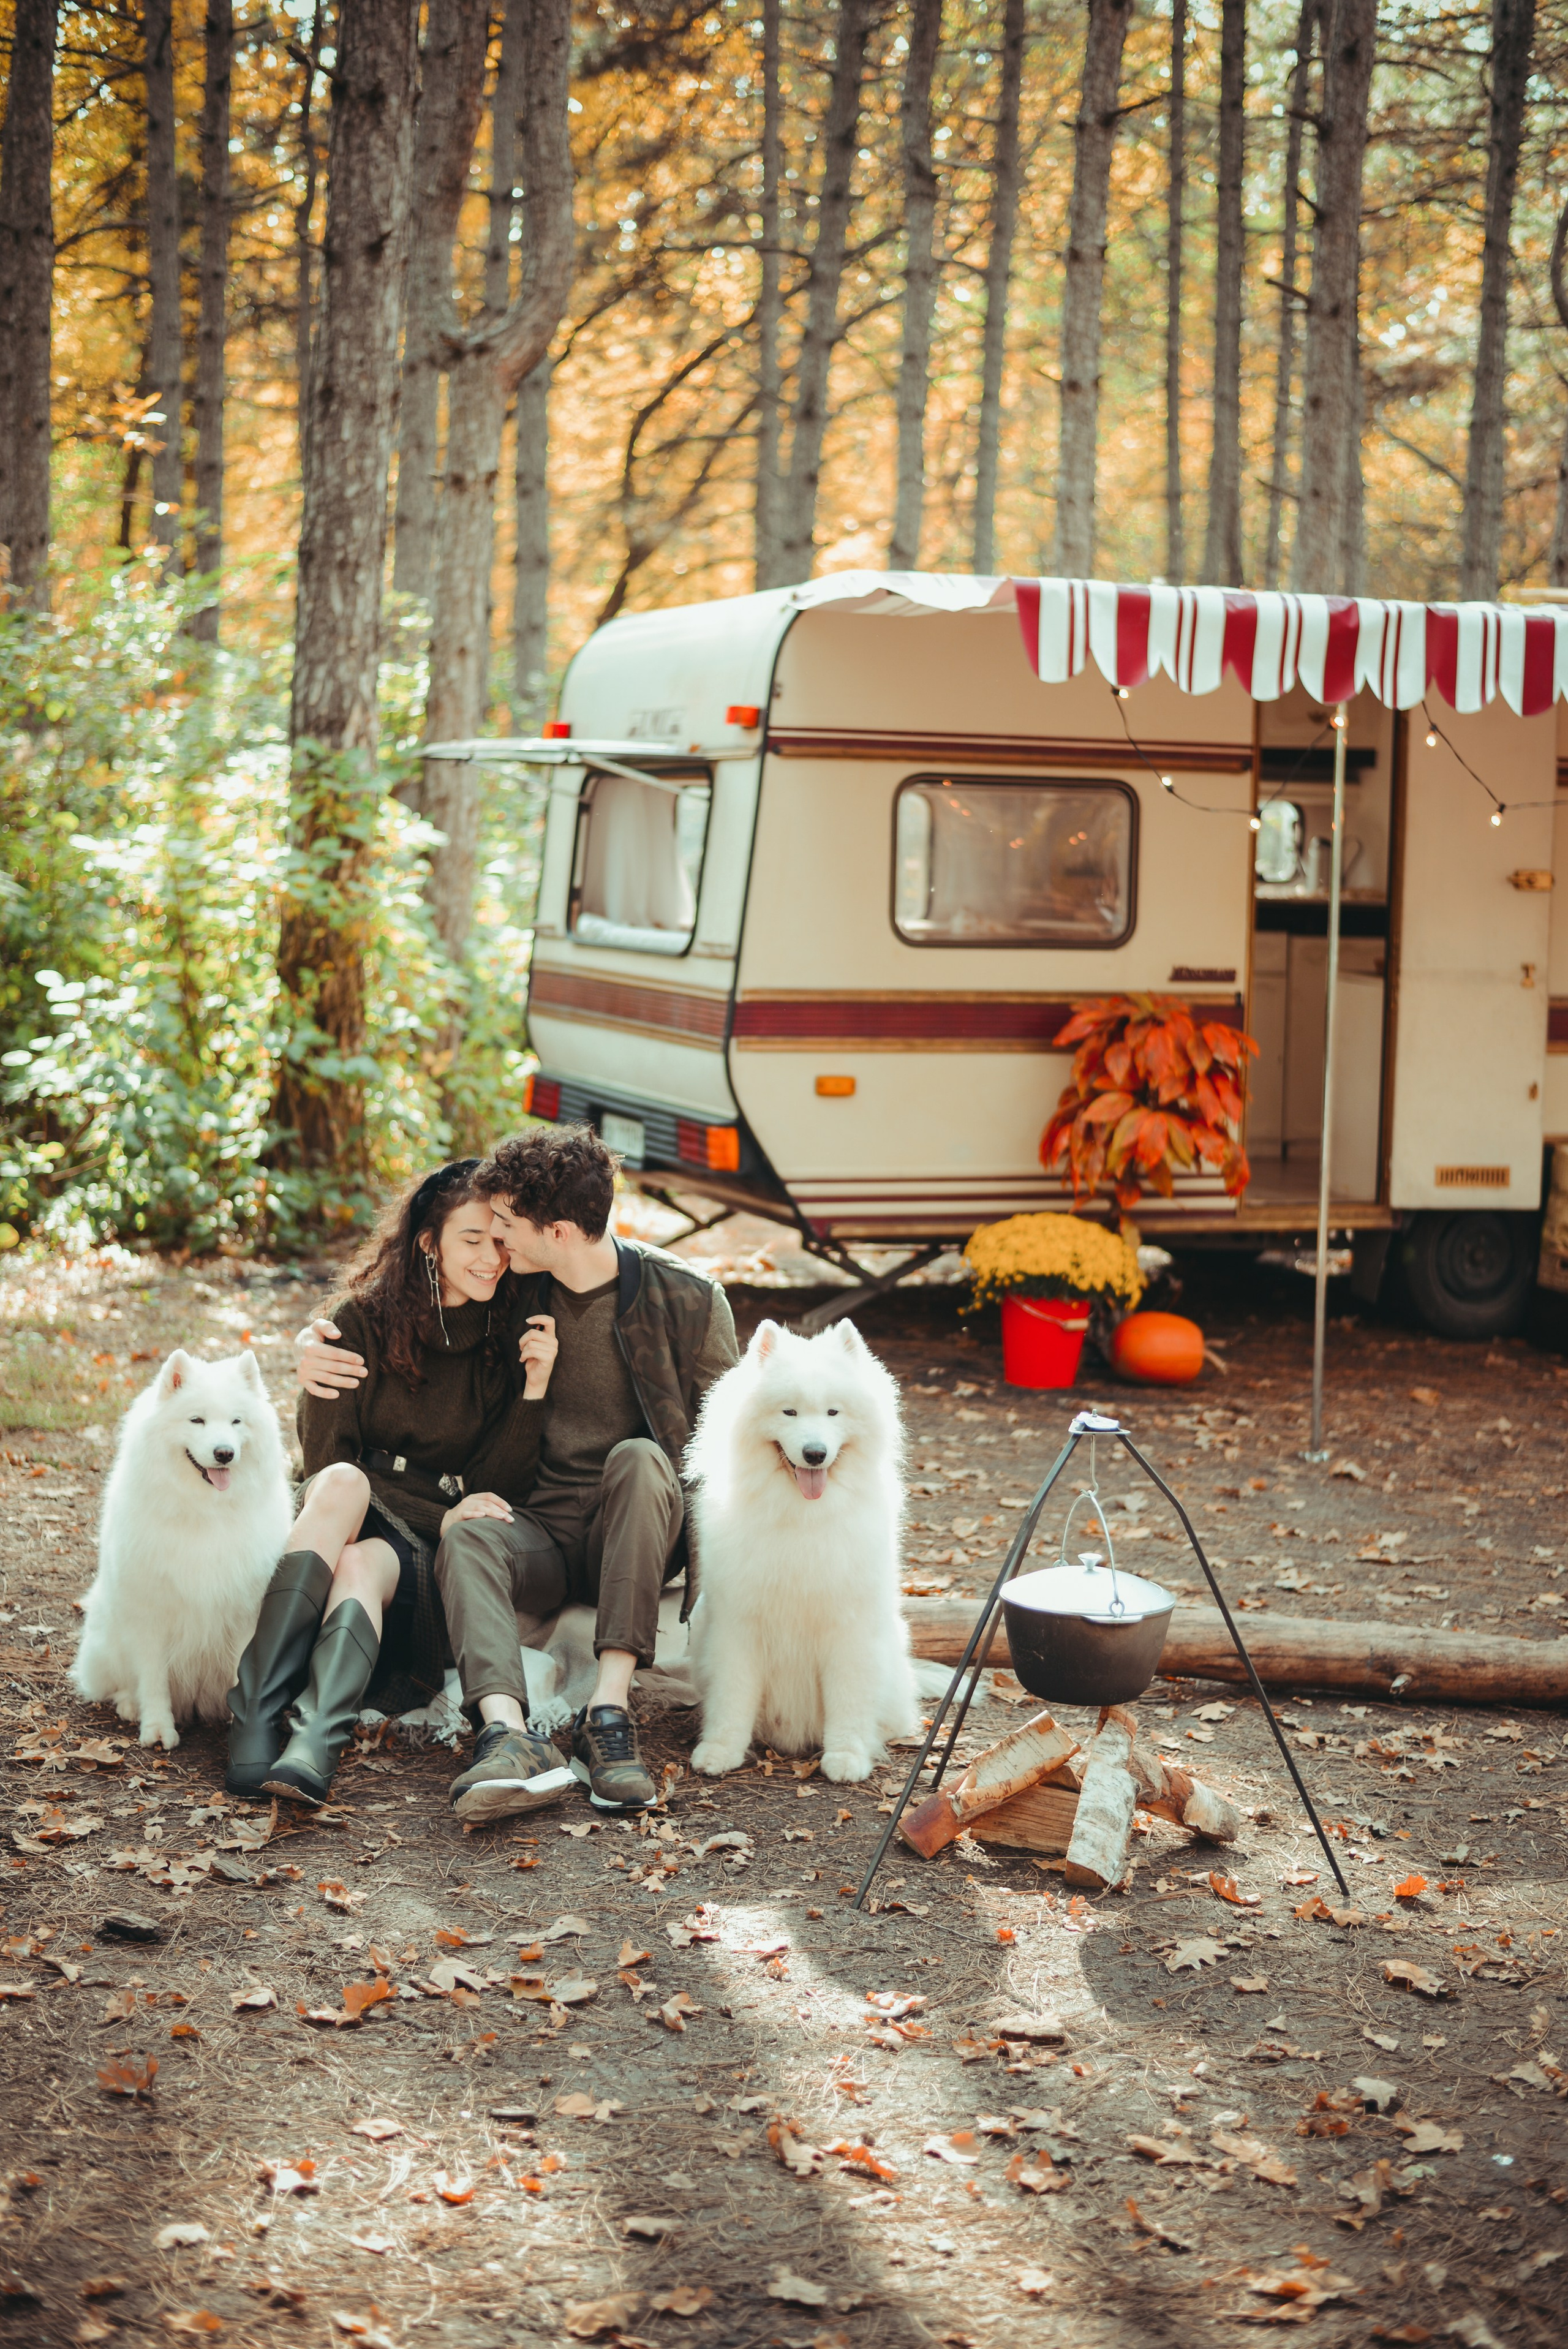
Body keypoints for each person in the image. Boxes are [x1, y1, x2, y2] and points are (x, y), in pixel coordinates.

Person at [294, 1124, 739, 1821]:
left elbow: (724, 1453)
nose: (495, 1240)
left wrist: (711, 1595)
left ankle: (608, 1720)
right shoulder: (511, 1293)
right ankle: (506, 1733)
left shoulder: (686, 1301)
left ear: (557, 1231)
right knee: (472, 1529)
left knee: (642, 1457)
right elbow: (410, 1319)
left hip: (637, 1527)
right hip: (538, 1527)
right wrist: (317, 1343)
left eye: (505, 1225)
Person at [227, 1159, 562, 1810]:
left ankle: (306, 1737)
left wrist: (535, 1389)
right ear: (428, 1242)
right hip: (348, 1512)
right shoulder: (358, 1322)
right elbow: (325, 1460)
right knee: (346, 1485)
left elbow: (496, 1490)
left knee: (361, 1555)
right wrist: (440, 1510)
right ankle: (269, 1721)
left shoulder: (510, 1332)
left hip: (422, 1565)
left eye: (499, 1240)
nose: (491, 1258)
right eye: (470, 1240)